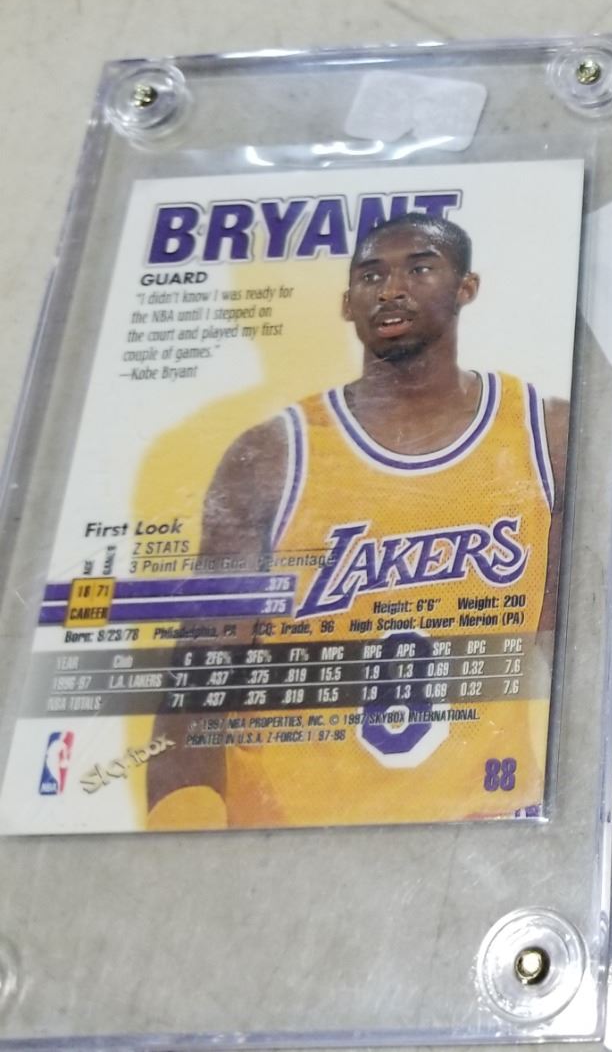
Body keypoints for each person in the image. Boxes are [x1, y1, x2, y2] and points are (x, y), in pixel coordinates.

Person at [147, 212, 567, 828]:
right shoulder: (271, 455)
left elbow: (566, 652)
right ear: (347, 304)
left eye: (419, 269)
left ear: (466, 287)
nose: (391, 289)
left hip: (484, 825)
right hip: (286, 836)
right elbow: (196, 682)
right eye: (371, 276)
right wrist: (184, 839)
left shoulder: (545, 433)